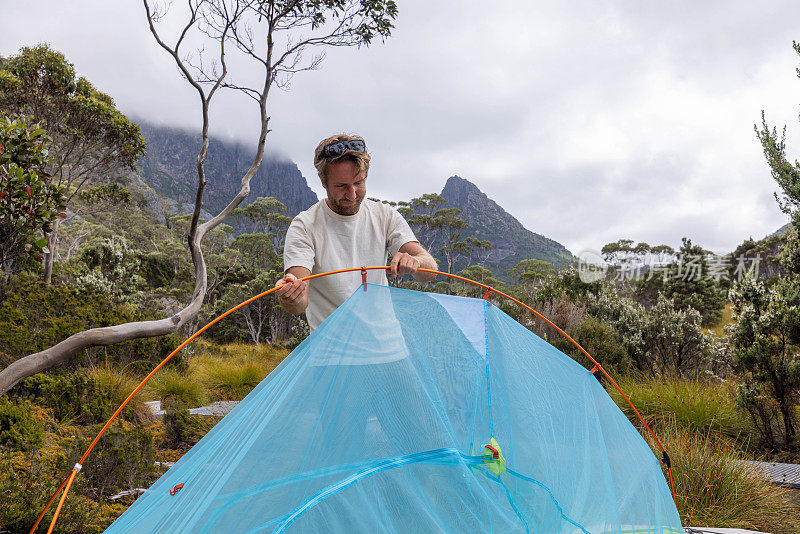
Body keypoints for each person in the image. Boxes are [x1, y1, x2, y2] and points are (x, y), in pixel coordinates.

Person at [275, 134, 437, 330]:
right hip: (331, 356)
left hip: (390, 351)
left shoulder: (385, 216)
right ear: (323, 180)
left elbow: (429, 271)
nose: (352, 195)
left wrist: (416, 262)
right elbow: (299, 304)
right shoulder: (304, 226)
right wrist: (290, 297)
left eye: (358, 183)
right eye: (341, 186)